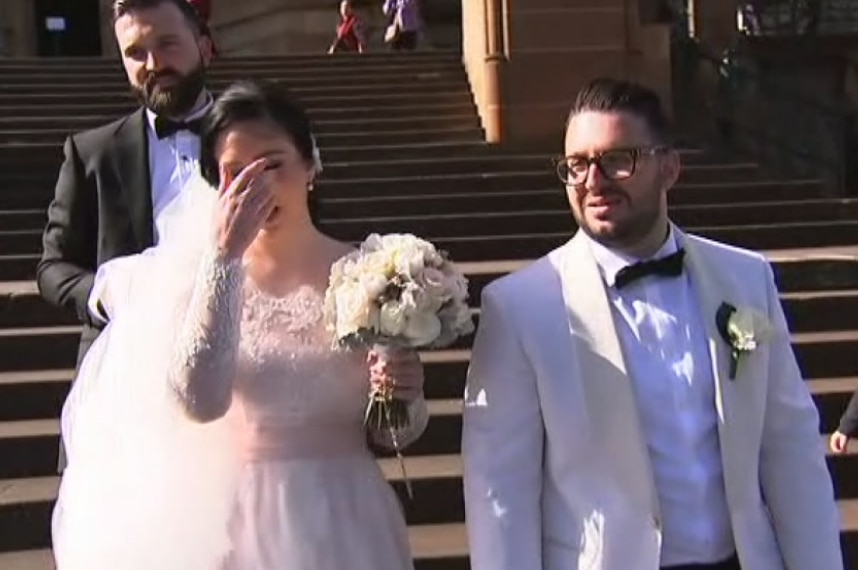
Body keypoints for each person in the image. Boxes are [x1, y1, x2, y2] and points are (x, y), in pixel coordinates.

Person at [461, 77, 842, 570]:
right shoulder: (521, 307)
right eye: (576, 165)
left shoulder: (745, 279)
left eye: (619, 159)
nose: (593, 180)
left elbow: (791, 450)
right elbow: (500, 492)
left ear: (670, 167)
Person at [51, 79, 427, 570]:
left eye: (273, 165)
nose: (258, 187)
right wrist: (224, 261)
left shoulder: (373, 273)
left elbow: (395, 433)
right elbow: (199, 401)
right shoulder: (203, 279)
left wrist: (404, 394)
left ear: (310, 165)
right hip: (235, 522)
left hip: (346, 512)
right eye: (236, 173)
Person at [37, 0, 214, 365]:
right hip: (122, 367)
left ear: (205, 47)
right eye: (135, 53)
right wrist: (105, 296)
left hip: (240, 364)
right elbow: (53, 267)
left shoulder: (262, 141)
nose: (153, 65)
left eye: (167, 44)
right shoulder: (91, 154)